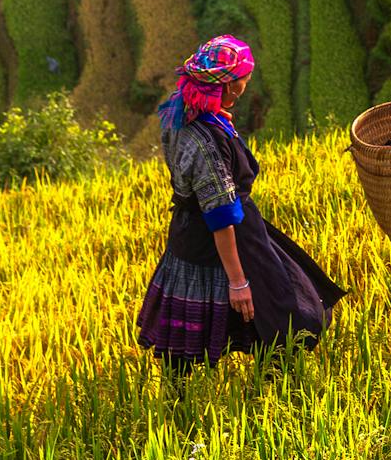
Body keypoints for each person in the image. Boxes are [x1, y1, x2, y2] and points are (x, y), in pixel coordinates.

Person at [134, 35, 346, 368]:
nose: (247, 86)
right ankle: (249, 391)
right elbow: (220, 214)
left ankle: (187, 395)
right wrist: (238, 281)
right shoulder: (206, 143)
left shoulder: (181, 109)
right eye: (244, 81)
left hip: (193, 231)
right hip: (222, 234)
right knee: (289, 315)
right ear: (229, 87)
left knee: (199, 337)